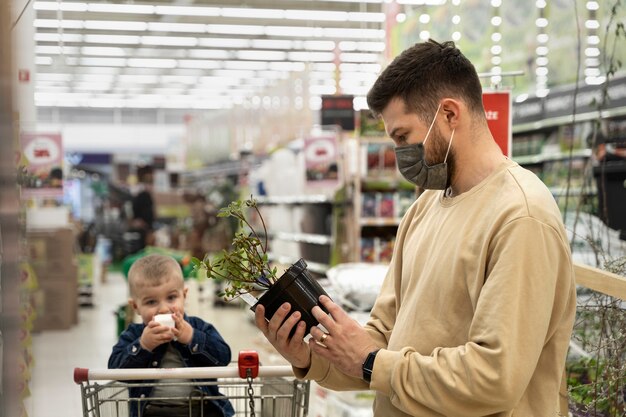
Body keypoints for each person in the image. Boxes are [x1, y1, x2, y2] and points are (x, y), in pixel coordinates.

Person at [255, 39, 576, 417]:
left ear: (450, 115)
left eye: (403, 137)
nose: (400, 155)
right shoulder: (425, 206)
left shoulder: (521, 217)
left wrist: (372, 362)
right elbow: (383, 339)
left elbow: (494, 378)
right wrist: (314, 355)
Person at [109, 254, 234, 417]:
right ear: (135, 306)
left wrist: (191, 337)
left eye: (171, 298)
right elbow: (115, 370)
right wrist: (143, 346)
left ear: (184, 295)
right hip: (152, 412)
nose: (163, 309)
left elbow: (223, 357)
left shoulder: (198, 327)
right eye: (151, 302)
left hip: (201, 410)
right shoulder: (133, 335)